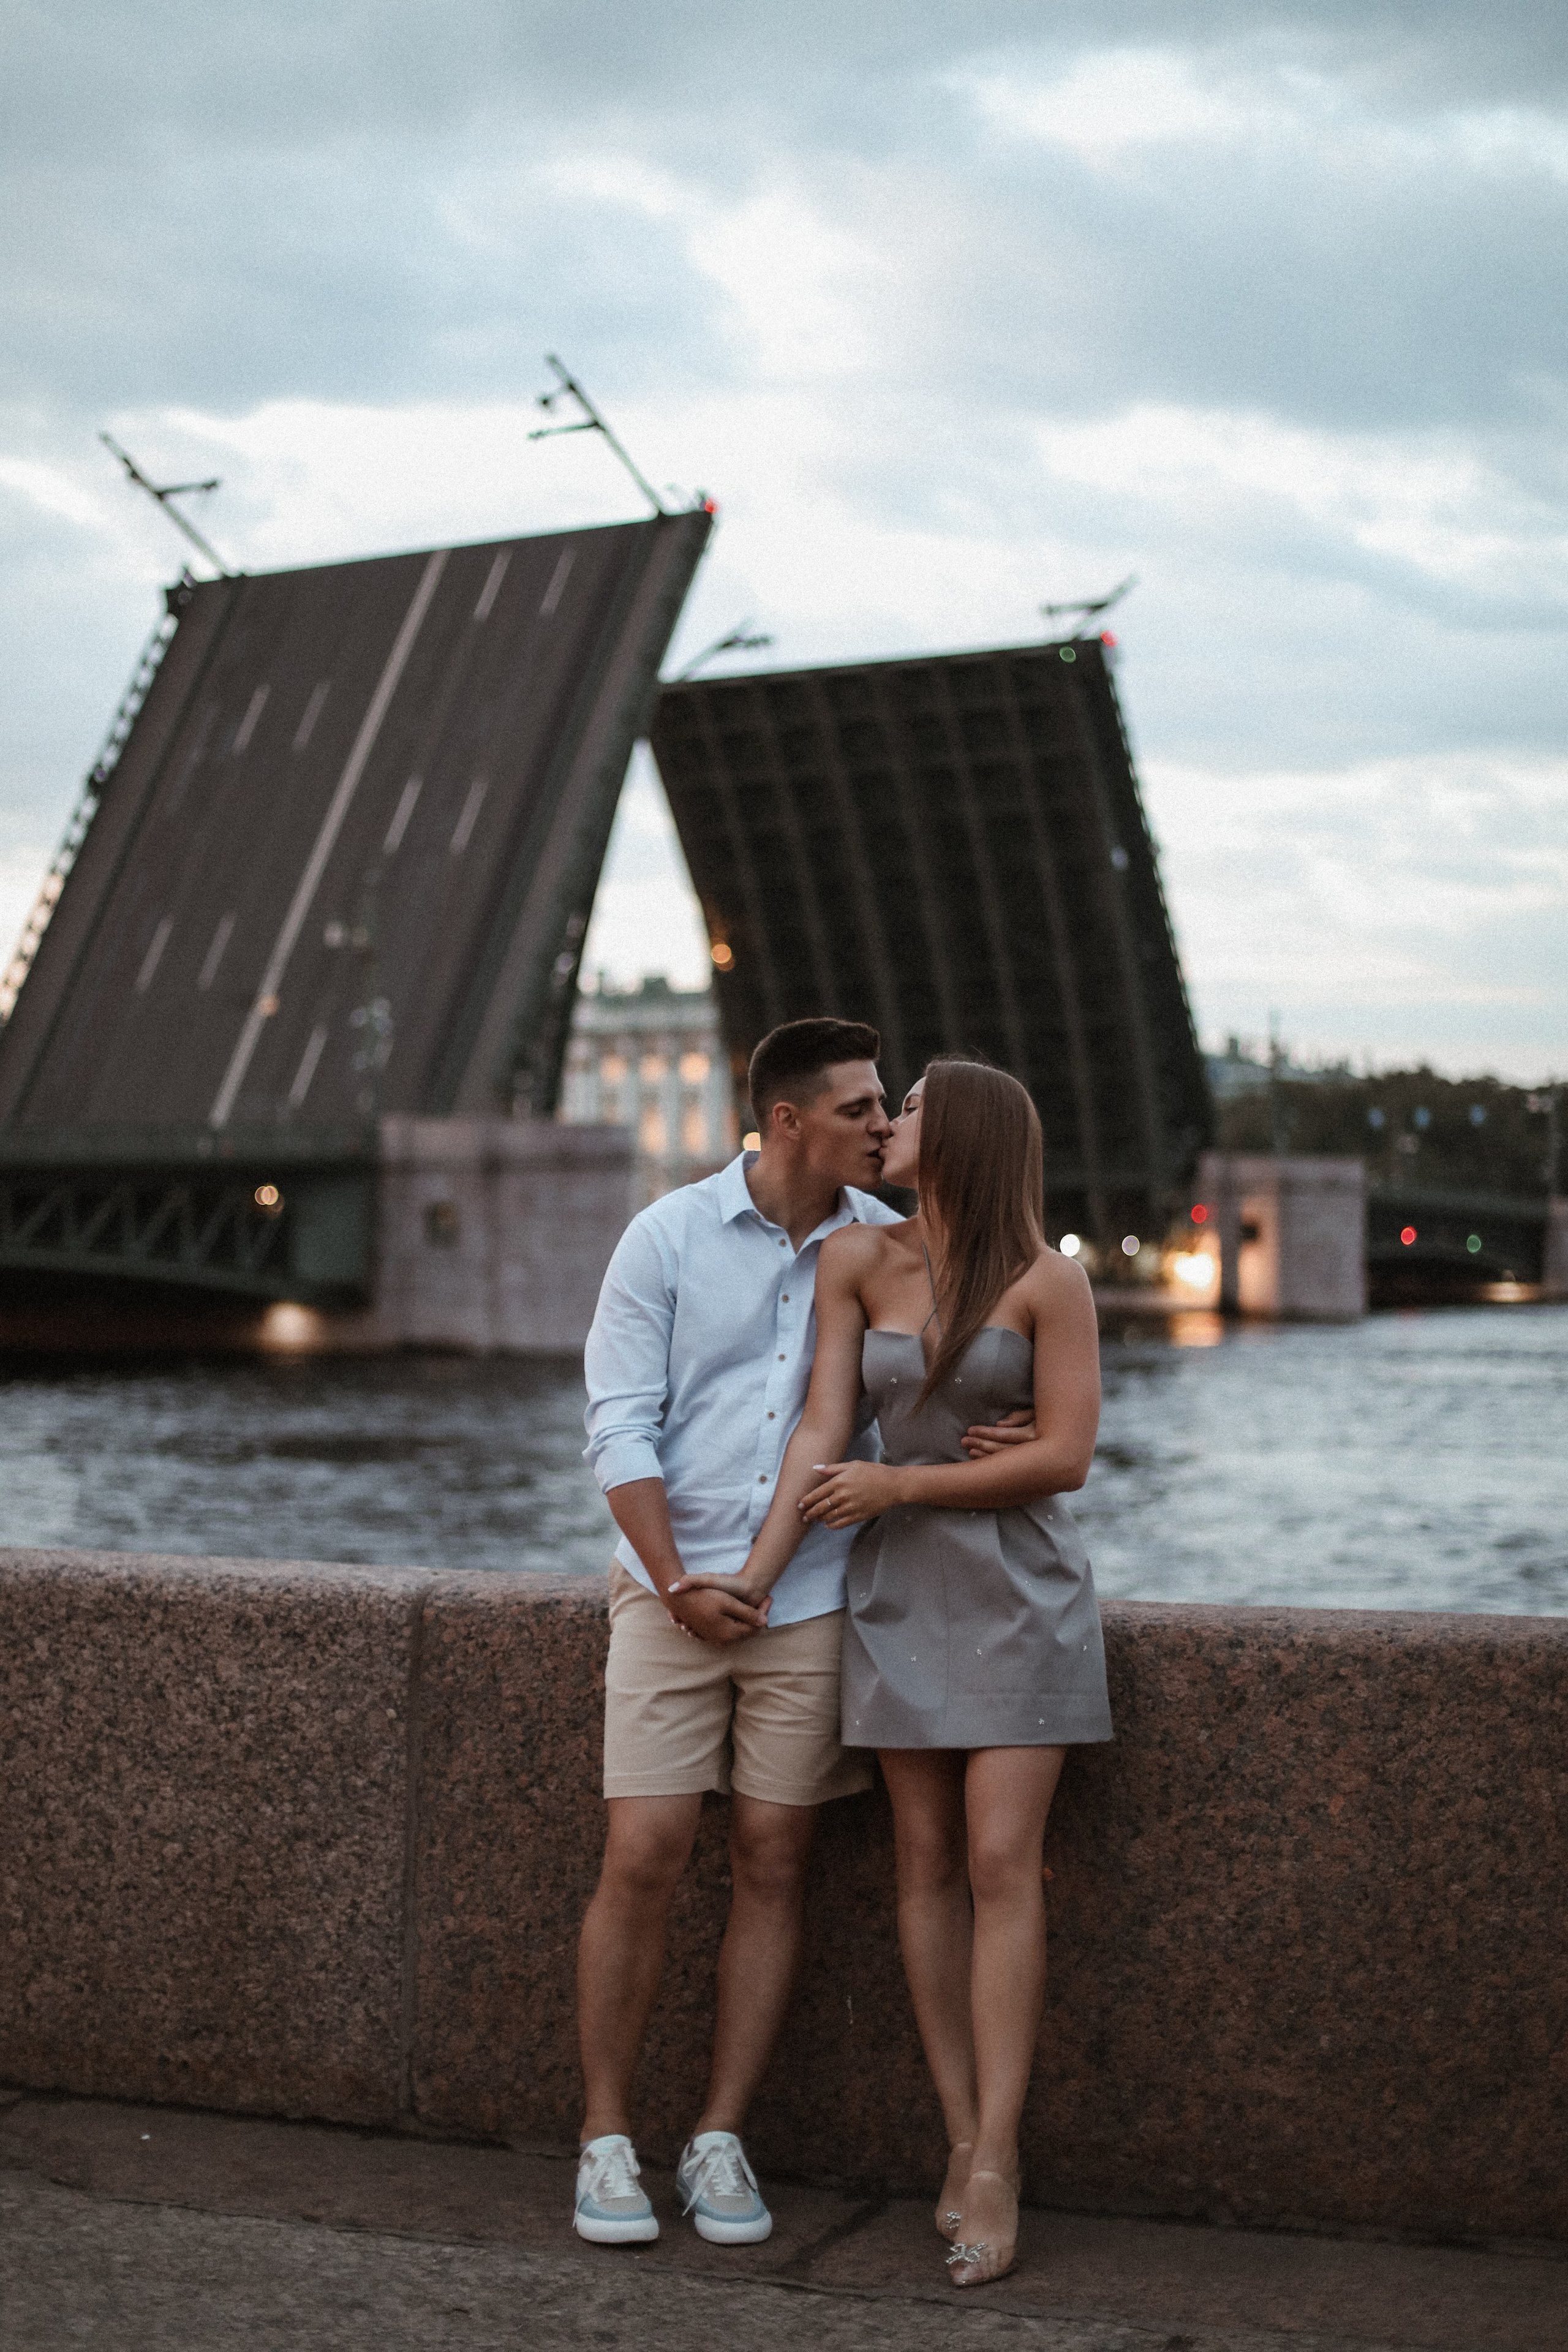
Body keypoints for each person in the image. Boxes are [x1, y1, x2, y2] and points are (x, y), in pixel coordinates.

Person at [669, 1055, 1110, 2287]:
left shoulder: (1047, 1281)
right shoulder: (857, 1264)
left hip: (1018, 1595)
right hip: (898, 1594)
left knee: (995, 1862)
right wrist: (758, 1569)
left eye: (907, 1109)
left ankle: (997, 2161)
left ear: (960, 1135)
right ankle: (958, 2132)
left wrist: (905, 1482)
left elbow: (1067, 1455)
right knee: (921, 1868)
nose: (886, 1125)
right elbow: (821, 1427)